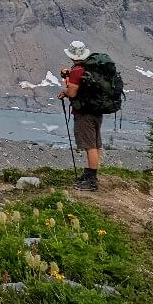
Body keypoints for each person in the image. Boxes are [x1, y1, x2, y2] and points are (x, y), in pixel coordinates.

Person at [58, 40, 100, 191]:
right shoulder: (91, 68)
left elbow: (72, 92)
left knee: (90, 146)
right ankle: (90, 174)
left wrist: (65, 88)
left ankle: (92, 181)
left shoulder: (77, 70)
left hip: (84, 113)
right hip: (96, 111)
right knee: (94, 144)